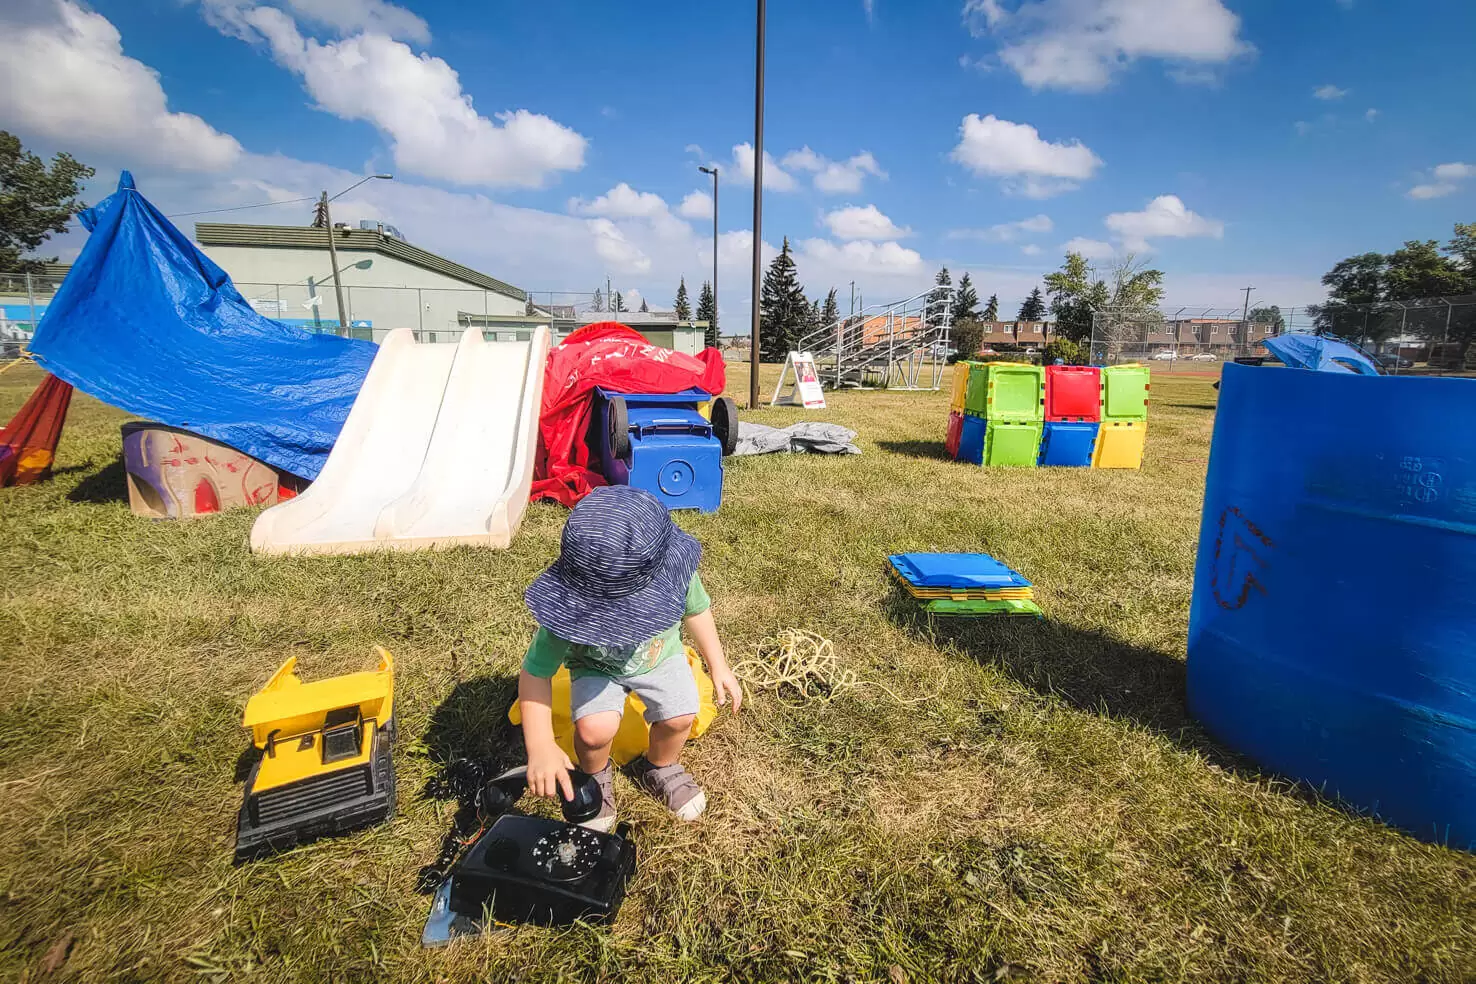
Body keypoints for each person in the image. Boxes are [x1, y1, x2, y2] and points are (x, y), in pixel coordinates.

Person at [518, 485, 742, 830]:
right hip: (596, 667)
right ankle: (595, 776)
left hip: (660, 657)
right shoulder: (571, 607)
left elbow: (697, 610)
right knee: (594, 731)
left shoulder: (676, 575)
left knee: (681, 715)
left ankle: (661, 766)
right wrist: (541, 745)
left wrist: (720, 666)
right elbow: (535, 673)